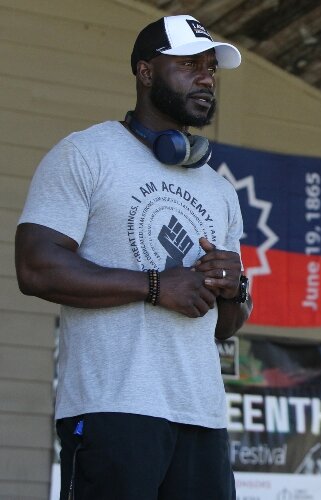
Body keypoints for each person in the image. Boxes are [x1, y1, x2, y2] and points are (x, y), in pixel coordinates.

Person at [15, 15, 251, 500]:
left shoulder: (220, 191)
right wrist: (155, 286)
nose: (206, 77)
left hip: (201, 415)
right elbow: (35, 266)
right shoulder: (85, 154)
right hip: (110, 408)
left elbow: (226, 326)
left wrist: (234, 287)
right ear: (145, 72)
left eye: (210, 67)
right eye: (189, 64)